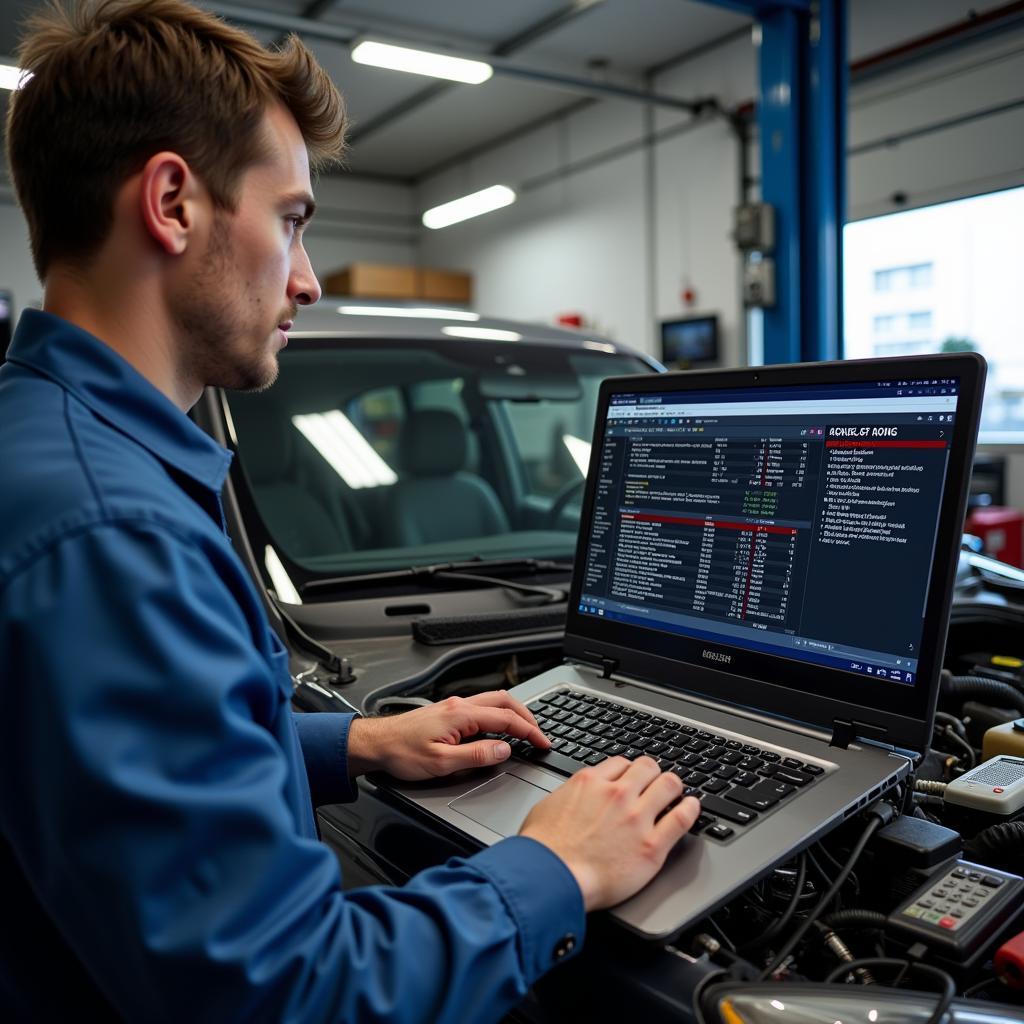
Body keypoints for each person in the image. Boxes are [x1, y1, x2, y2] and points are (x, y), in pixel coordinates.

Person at [0, 2, 701, 1021]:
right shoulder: (115, 536)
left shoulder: (48, 443)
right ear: (172, 203)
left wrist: (353, 745)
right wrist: (555, 866)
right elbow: (287, 989)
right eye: (289, 220)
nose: (309, 279)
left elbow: (100, 771)